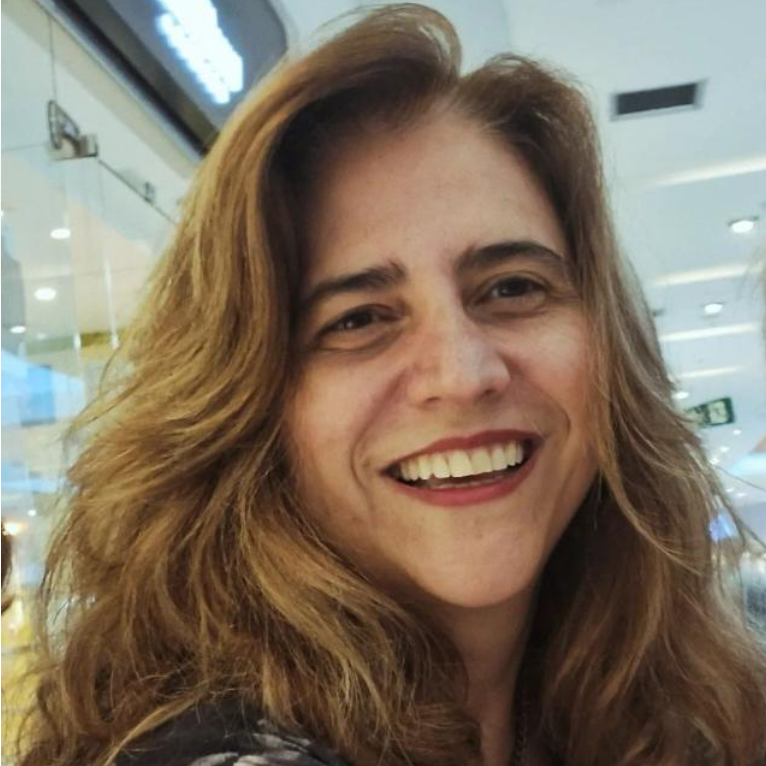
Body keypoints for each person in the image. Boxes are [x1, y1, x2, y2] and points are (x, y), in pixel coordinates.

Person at [16, 5, 766, 766]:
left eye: (512, 287)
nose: (463, 375)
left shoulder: (673, 704)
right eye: (358, 319)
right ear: (246, 404)